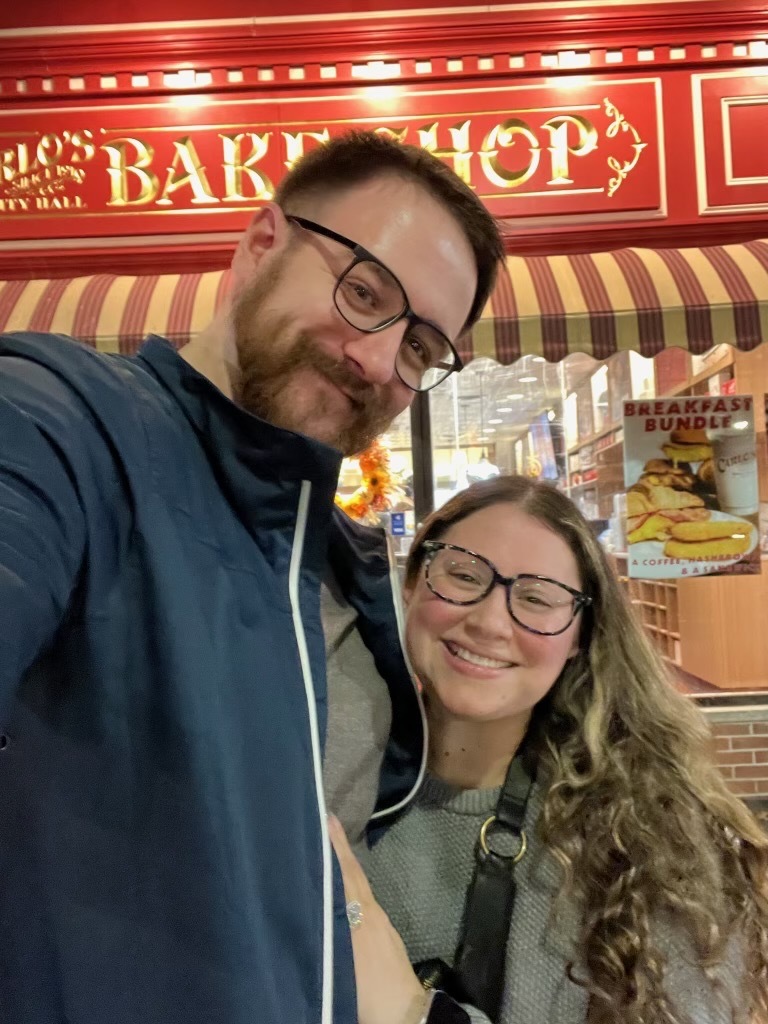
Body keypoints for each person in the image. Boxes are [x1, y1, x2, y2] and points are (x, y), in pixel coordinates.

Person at [0, 131, 504, 1024]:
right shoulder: (65, 420)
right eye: (364, 293)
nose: (381, 362)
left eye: (424, 348)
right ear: (262, 242)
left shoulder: (346, 569)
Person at [330, 475, 768, 1024]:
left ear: (579, 635)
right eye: (463, 575)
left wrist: (413, 1014)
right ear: (414, 582)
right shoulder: (332, 786)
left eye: (537, 598)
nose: (489, 621)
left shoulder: (653, 843)